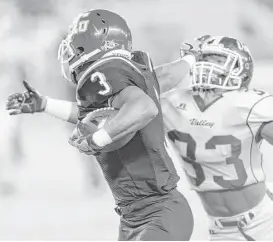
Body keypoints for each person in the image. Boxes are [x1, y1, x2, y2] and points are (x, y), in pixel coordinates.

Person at [6, 9, 194, 241]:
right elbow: (95, 114)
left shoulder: (105, 70)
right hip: (135, 215)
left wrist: (98, 139)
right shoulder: (126, 72)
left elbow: (144, 107)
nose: (70, 51)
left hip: (158, 211)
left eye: (75, 44)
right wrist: (45, 104)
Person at [161, 35, 273, 240]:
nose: (208, 64)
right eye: (204, 58)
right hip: (219, 228)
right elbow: (146, 86)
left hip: (264, 221)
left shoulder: (249, 103)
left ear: (240, 68)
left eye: (218, 60)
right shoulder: (172, 101)